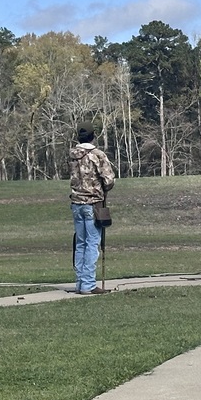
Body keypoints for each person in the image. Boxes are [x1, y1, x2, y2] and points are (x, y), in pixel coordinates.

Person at [68, 121, 115, 294]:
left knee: (80, 243)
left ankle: (80, 283)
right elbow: (109, 180)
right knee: (92, 244)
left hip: (76, 203)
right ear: (93, 135)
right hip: (93, 204)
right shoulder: (98, 155)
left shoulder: (72, 155)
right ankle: (88, 284)